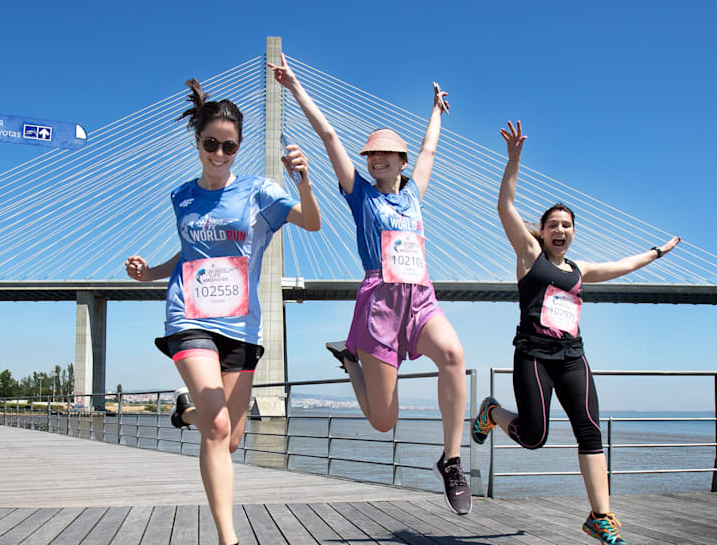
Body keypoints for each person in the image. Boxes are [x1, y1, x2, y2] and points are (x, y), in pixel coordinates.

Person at [268, 55, 472, 515]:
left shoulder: (413, 193)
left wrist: (437, 112)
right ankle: (351, 357)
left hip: (420, 298)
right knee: (384, 422)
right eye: (371, 154)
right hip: (380, 303)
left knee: (455, 355)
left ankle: (452, 459)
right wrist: (296, 85)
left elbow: (429, 154)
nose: (375, 157)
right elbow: (329, 135)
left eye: (386, 153)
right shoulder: (359, 193)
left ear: (399, 160)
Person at [124, 78, 320, 545]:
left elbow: (312, 223)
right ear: (197, 141)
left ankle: (183, 412)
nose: (219, 153)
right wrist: (150, 274)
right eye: (210, 143)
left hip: (241, 325)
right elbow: (189, 255)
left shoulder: (260, 192)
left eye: (228, 146)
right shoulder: (182, 196)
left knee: (228, 439)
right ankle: (228, 539)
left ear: (239, 147)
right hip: (189, 318)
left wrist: (304, 181)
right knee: (217, 425)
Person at [471, 121, 680, 545]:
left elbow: (623, 266)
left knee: (590, 430)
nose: (561, 230)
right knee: (534, 437)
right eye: (554, 225)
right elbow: (505, 207)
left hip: (571, 356)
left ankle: (599, 517)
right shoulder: (529, 256)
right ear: (543, 231)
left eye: (567, 225)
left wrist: (657, 252)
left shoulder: (579, 270)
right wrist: (513, 161)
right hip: (532, 355)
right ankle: (492, 412)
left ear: (572, 232)